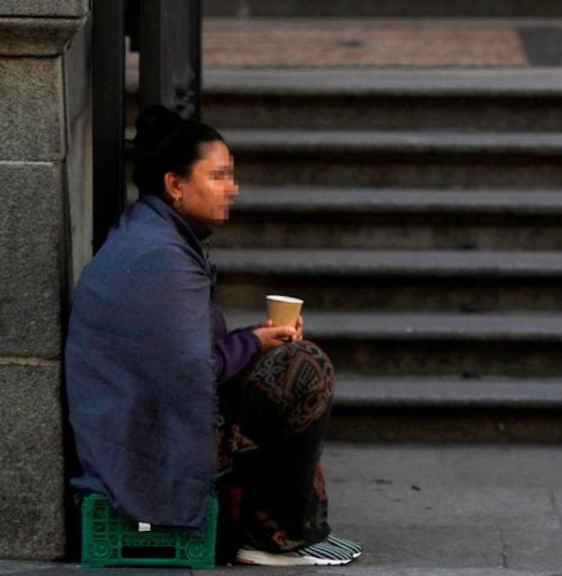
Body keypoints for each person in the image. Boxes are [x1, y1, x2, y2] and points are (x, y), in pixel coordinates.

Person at [65, 105, 361, 566]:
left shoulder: (156, 235)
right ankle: (268, 535)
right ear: (176, 185)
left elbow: (188, 356)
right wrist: (255, 343)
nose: (233, 189)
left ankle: (276, 524)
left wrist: (259, 338)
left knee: (288, 359)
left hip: (143, 414)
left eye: (232, 176)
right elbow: (191, 373)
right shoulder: (160, 255)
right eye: (219, 176)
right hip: (138, 436)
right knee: (302, 371)